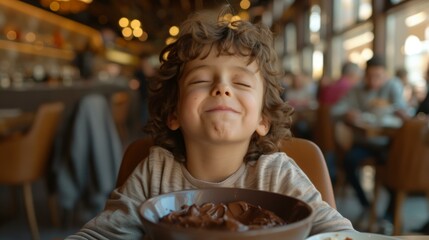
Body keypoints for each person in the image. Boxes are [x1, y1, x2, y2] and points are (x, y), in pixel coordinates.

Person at [67, 10, 354, 239]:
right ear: (174, 113)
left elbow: (338, 234)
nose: (222, 88)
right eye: (201, 80)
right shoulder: (154, 173)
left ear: (263, 120)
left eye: (240, 82)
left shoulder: (278, 175)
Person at [331, 55, 409, 230]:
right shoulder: (357, 90)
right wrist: (347, 113)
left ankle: (389, 216)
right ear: (365, 75)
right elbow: (336, 110)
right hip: (365, 143)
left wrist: (398, 112)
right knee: (348, 162)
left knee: (396, 168)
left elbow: (402, 109)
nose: (374, 81)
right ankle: (367, 205)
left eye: (378, 76)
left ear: (385, 75)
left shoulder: (393, 86)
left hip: (388, 143)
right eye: (370, 76)